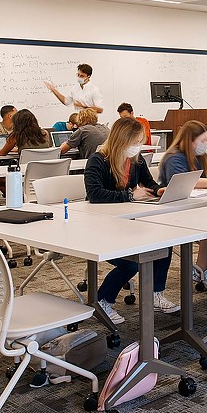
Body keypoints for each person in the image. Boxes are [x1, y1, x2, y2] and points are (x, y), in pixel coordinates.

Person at [83, 116, 178, 321]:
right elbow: (95, 194)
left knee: (166, 243)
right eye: (135, 143)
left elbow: (148, 182)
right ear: (121, 140)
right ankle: (102, 301)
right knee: (131, 263)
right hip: (101, 229)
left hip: (128, 224)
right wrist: (129, 196)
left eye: (139, 142)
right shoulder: (98, 160)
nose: (138, 147)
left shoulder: (136, 160)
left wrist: (158, 190)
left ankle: (155, 294)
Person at [159, 121, 207, 282]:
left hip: (196, 206)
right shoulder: (174, 158)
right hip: (174, 210)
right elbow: (186, 181)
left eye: (206, 140)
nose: (206, 144)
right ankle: (200, 267)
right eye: (202, 141)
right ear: (190, 140)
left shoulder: (200, 156)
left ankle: (202, 267)